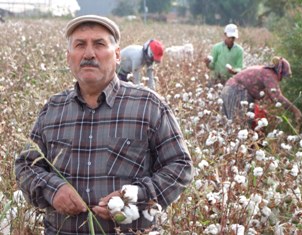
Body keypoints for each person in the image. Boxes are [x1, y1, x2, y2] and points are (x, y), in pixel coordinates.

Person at [15, 15, 193, 235]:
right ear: (68, 57)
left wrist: (135, 197)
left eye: (99, 44)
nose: (89, 54)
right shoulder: (53, 109)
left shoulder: (149, 105)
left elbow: (180, 165)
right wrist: (53, 189)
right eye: (80, 45)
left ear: (117, 55)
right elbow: (25, 165)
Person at [221, 56, 302, 125]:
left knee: (230, 123)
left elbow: (267, 96)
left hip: (229, 90)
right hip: (236, 92)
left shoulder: (263, 70)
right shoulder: (269, 75)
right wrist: (295, 111)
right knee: (240, 124)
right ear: (280, 72)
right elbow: (277, 97)